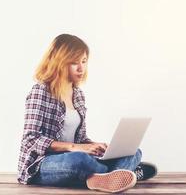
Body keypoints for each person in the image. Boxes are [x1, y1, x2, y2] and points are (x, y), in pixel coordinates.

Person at [17, 34, 157, 193]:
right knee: (80, 159)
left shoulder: (78, 95)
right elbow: (30, 139)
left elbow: (80, 139)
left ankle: (104, 178)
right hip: (42, 165)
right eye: (74, 63)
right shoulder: (40, 91)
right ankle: (127, 173)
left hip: (75, 158)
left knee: (133, 152)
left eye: (84, 61)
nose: (81, 68)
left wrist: (95, 147)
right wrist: (74, 147)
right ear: (59, 62)